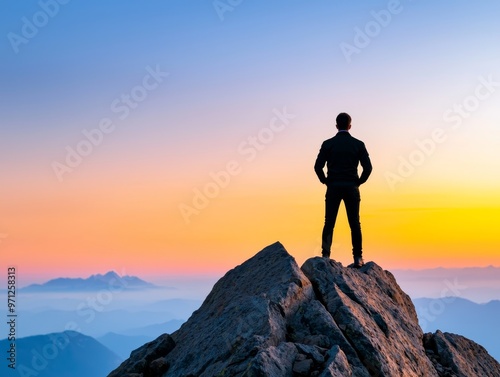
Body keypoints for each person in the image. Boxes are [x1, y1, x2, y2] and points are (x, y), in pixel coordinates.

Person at [314, 113, 372, 268]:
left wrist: (325, 181)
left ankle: (326, 255)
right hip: (351, 187)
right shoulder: (358, 144)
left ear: (336, 125)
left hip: (333, 187)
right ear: (350, 126)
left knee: (329, 222)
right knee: (354, 223)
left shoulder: (328, 144)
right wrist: (358, 182)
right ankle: (358, 257)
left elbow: (317, 166)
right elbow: (368, 168)